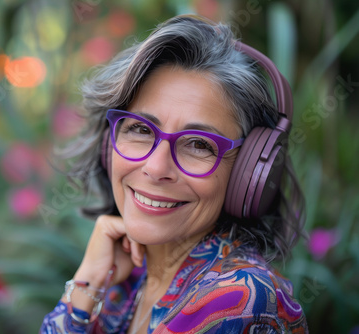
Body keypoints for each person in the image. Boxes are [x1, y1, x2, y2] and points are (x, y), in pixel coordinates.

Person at [41, 14, 308, 333]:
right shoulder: (127, 278)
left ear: (249, 172)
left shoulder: (240, 301)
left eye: (198, 144)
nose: (155, 168)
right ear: (109, 143)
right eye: (140, 129)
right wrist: (89, 282)